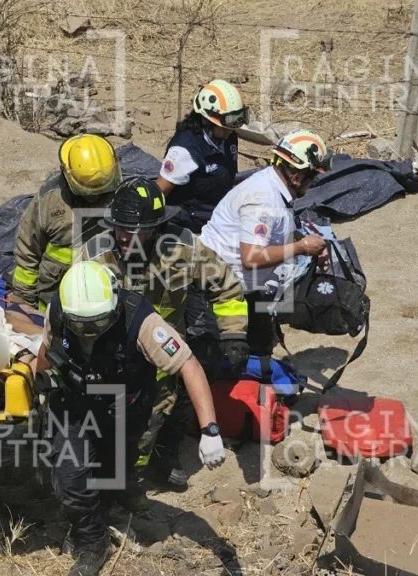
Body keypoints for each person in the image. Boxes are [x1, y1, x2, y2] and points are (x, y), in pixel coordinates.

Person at [35, 262, 226, 576]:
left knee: (112, 468)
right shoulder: (58, 310)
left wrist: (211, 429)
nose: (90, 333)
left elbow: (188, 365)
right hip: (74, 402)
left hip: (124, 406)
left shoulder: (143, 321)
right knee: (71, 480)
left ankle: (112, 502)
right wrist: (32, 390)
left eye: (98, 323)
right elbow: (46, 349)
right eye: (80, 326)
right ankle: (92, 541)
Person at [78, 178, 247, 489]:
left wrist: (233, 333)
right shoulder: (95, 256)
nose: (125, 238)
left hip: (165, 358)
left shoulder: (183, 249)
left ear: (155, 227)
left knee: (157, 416)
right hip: (114, 359)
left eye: (136, 232)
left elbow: (227, 286)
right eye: (120, 229)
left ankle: (143, 473)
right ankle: (113, 477)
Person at [199, 129, 332, 356]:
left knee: (262, 347)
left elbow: (271, 233)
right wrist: (301, 247)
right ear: (297, 176)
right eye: (313, 177)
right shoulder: (263, 199)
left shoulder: (274, 189)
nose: (313, 184)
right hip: (218, 291)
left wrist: (303, 243)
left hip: (244, 287)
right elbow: (252, 257)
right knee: (230, 357)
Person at [12, 134, 122, 310]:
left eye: (102, 188)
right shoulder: (50, 201)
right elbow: (28, 250)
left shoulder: (121, 196)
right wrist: (25, 298)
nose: (95, 196)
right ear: (68, 176)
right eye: (87, 190)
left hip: (104, 298)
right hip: (54, 299)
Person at [157, 79, 248, 233]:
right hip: (190, 227)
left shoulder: (227, 136)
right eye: (226, 125)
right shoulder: (184, 151)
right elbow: (158, 192)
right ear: (206, 120)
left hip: (218, 217)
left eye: (235, 123)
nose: (231, 130)